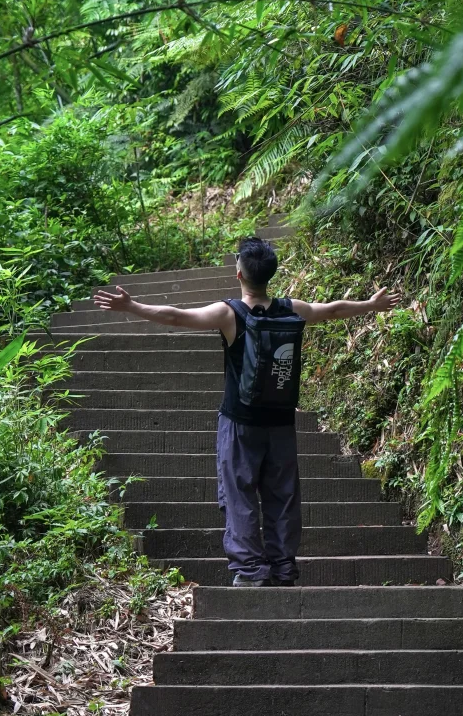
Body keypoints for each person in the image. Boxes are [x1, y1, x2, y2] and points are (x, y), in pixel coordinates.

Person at [93, 235, 400, 586]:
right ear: (271, 275)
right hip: (281, 423)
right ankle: (283, 568)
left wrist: (132, 307)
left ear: (239, 274)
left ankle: (251, 571)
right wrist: (371, 305)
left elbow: (177, 317)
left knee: (239, 495)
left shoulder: (229, 314)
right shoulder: (291, 309)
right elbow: (331, 309)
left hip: (240, 422)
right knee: (282, 497)